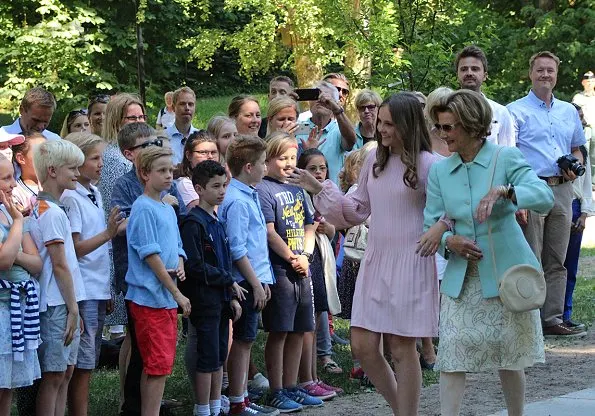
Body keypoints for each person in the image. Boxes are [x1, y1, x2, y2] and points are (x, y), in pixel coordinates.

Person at [288, 92, 439, 415]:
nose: (380, 129)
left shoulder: (430, 165)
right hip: (376, 260)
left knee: (401, 347)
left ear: (407, 126)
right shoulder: (374, 160)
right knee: (362, 346)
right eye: (380, 122)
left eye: (388, 124)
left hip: (411, 262)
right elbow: (354, 210)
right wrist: (320, 188)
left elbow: (449, 210)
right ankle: (402, 409)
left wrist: (440, 231)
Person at [421, 89, 553, 416]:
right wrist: (449, 241)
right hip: (461, 280)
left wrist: (507, 191)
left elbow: (544, 196)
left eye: (448, 127)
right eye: (438, 127)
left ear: (470, 124)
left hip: (506, 275)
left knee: (510, 357)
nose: (441, 134)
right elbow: (432, 222)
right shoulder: (439, 171)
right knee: (451, 357)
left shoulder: (504, 158)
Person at [507, 51, 587, 337]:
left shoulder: (568, 110)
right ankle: (528, 322)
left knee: (558, 258)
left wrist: (574, 167)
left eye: (550, 71)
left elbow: (578, 147)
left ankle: (552, 319)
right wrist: (518, 196)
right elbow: (509, 155)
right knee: (531, 257)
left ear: (556, 75)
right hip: (532, 187)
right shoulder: (514, 111)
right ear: (530, 74)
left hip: (563, 190)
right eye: (540, 70)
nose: (545, 75)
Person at [109, 123, 186, 415]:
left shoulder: (166, 204)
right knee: (152, 363)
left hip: (163, 294)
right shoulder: (142, 205)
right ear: (144, 172)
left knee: (160, 363)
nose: (169, 176)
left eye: (171, 171)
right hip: (149, 294)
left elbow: (174, 240)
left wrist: (179, 260)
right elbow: (149, 253)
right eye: (162, 171)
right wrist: (177, 293)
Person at [255, 132, 323, 413]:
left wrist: (305, 256)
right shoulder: (264, 189)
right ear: (268, 160)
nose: (288, 163)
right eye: (282, 158)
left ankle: (294, 385)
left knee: (300, 329)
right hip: (281, 269)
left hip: (302, 267)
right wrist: (292, 257)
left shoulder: (298, 188)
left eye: (293, 158)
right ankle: (277, 389)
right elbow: (269, 232)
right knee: (280, 331)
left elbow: (310, 226)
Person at [61, 132, 125, 416]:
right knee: (82, 364)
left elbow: (101, 249)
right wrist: (109, 233)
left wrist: (107, 287)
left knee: (90, 360)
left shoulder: (95, 192)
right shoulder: (72, 198)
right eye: (94, 158)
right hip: (83, 290)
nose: (101, 164)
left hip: (97, 289)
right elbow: (76, 248)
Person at [219, 136, 279, 416]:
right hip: (245, 281)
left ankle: (241, 396)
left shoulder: (248, 194)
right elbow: (237, 248)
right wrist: (255, 283)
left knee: (247, 340)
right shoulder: (238, 201)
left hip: (254, 278)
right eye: (262, 163)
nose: (266, 167)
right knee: (243, 341)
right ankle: (237, 401)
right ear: (248, 167)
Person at [179, 160, 243, 416]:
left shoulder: (216, 221)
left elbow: (225, 261)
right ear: (199, 188)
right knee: (206, 357)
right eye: (215, 186)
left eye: (224, 185)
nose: (222, 191)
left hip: (220, 300)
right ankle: (203, 408)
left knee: (218, 356)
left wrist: (230, 295)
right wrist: (227, 281)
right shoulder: (193, 223)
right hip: (204, 300)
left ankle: (216, 406)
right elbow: (194, 266)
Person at [29, 140, 87, 416]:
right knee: (53, 375)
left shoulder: (55, 208)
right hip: (56, 303)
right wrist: (73, 308)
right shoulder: (49, 212)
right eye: (72, 168)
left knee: (66, 371)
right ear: (52, 170)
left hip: (66, 301)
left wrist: (75, 306)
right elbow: (60, 265)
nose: (78, 172)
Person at [95, 92, 146, 404]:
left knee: (135, 336)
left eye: (141, 117)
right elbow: (119, 216)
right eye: (131, 118)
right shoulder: (115, 160)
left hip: (131, 251)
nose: (138, 122)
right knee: (135, 336)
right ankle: (132, 397)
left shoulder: (135, 156)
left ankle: (136, 395)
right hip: (123, 253)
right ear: (117, 120)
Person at [296, 149, 343, 398]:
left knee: (316, 317)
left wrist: (330, 228)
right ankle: (306, 378)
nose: (318, 173)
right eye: (313, 168)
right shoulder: (301, 194)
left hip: (322, 257)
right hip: (307, 257)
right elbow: (307, 225)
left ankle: (313, 375)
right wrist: (316, 226)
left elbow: (337, 225)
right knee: (308, 321)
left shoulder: (326, 193)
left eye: (322, 168)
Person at [0, 154, 42, 415]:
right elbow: (3, 262)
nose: (14, 183)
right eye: (6, 178)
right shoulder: (14, 217)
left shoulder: (8, 211)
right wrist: (17, 223)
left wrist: (11, 250)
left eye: (13, 176)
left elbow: (36, 264)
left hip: (17, 309)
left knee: (7, 387)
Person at [335, 142, 377, 384]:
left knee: (373, 316)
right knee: (361, 317)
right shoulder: (356, 191)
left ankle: (373, 362)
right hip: (358, 261)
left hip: (372, 259)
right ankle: (360, 364)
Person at [562, 106, 593, 330]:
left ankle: (565, 313)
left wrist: (584, 213)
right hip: (554, 202)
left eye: (581, 118)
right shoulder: (556, 146)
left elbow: (587, 183)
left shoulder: (582, 150)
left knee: (570, 264)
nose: (579, 122)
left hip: (574, 206)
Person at [295, 81, 357, 185]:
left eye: (327, 98)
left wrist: (337, 110)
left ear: (335, 104)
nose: (321, 100)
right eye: (317, 95)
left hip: (330, 196)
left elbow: (351, 141)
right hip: (301, 196)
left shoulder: (339, 130)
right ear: (310, 102)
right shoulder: (298, 127)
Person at [454, 45, 515, 146]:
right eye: (464, 69)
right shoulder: (448, 109)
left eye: (475, 69)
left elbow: (508, 150)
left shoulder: (500, 112)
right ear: (457, 75)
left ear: (485, 76)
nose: (469, 73)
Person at [176, 130, 220, 210]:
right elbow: (206, 214)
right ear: (189, 155)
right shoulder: (186, 184)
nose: (210, 156)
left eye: (213, 152)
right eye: (203, 152)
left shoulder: (225, 180)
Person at [12, 133, 46, 216]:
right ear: (21, 158)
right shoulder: (14, 193)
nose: (48, 157)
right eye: (41, 153)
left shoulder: (57, 183)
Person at [165, 87, 198, 164]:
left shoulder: (202, 138)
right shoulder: (162, 138)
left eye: (190, 104)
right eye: (182, 104)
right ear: (173, 108)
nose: (187, 108)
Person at [572, 71, 595, 185]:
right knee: (584, 155)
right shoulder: (578, 97)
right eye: (587, 81)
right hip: (586, 129)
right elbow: (574, 114)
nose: (590, 84)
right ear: (583, 83)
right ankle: (584, 182)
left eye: (592, 81)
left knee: (594, 155)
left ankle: (594, 182)